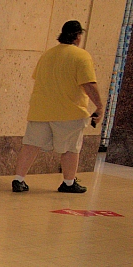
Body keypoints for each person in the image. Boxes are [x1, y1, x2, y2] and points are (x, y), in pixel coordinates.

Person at [12, 20, 103, 193]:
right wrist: (99, 106)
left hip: (40, 110)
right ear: (78, 36)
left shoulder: (47, 55)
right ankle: (68, 183)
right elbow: (89, 84)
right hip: (69, 111)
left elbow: (38, 78)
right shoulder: (81, 56)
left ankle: (18, 180)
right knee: (70, 148)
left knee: (31, 145)